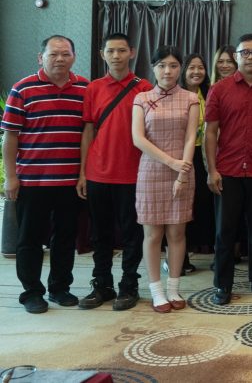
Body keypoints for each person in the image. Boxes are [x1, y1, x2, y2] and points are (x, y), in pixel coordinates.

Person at [2, 36, 88, 314]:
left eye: (65, 54)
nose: (59, 59)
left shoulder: (85, 88)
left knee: (65, 237)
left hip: (70, 181)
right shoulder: (22, 89)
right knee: (29, 239)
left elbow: (88, 134)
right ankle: (31, 292)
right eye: (53, 54)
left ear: (74, 56)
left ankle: (59, 288)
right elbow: (10, 137)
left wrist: (83, 174)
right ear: (41, 58)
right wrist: (10, 177)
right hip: (32, 181)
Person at [204, 34, 252, 305]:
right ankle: (222, 285)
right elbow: (210, 132)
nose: (250, 57)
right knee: (225, 231)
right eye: (245, 52)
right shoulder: (219, 89)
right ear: (236, 56)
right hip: (228, 170)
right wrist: (212, 170)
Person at [77, 32, 153, 311]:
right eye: (111, 51)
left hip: (133, 174)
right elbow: (88, 131)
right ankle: (102, 285)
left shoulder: (144, 87)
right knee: (100, 234)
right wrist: (83, 172)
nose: (116, 56)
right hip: (98, 173)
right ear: (103, 54)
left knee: (132, 234)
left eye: (122, 50)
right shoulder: (94, 88)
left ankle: (129, 285)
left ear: (131, 52)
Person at [131, 46, 200, 312]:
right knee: (152, 234)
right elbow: (138, 139)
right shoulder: (142, 98)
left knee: (177, 232)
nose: (167, 71)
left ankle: (173, 288)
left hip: (183, 170)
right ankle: (156, 291)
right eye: (161, 65)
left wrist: (182, 172)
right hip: (151, 172)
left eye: (173, 65)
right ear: (153, 68)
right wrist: (172, 162)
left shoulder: (190, 98)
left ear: (180, 68)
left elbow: (191, 137)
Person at [180, 52, 212, 271]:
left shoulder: (210, 93)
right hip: (181, 156)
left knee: (200, 205)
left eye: (200, 67)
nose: (196, 72)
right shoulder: (176, 94)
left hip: (204, 156)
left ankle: (194, 249)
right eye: (191, 67)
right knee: (180, 206)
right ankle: (177, 257)